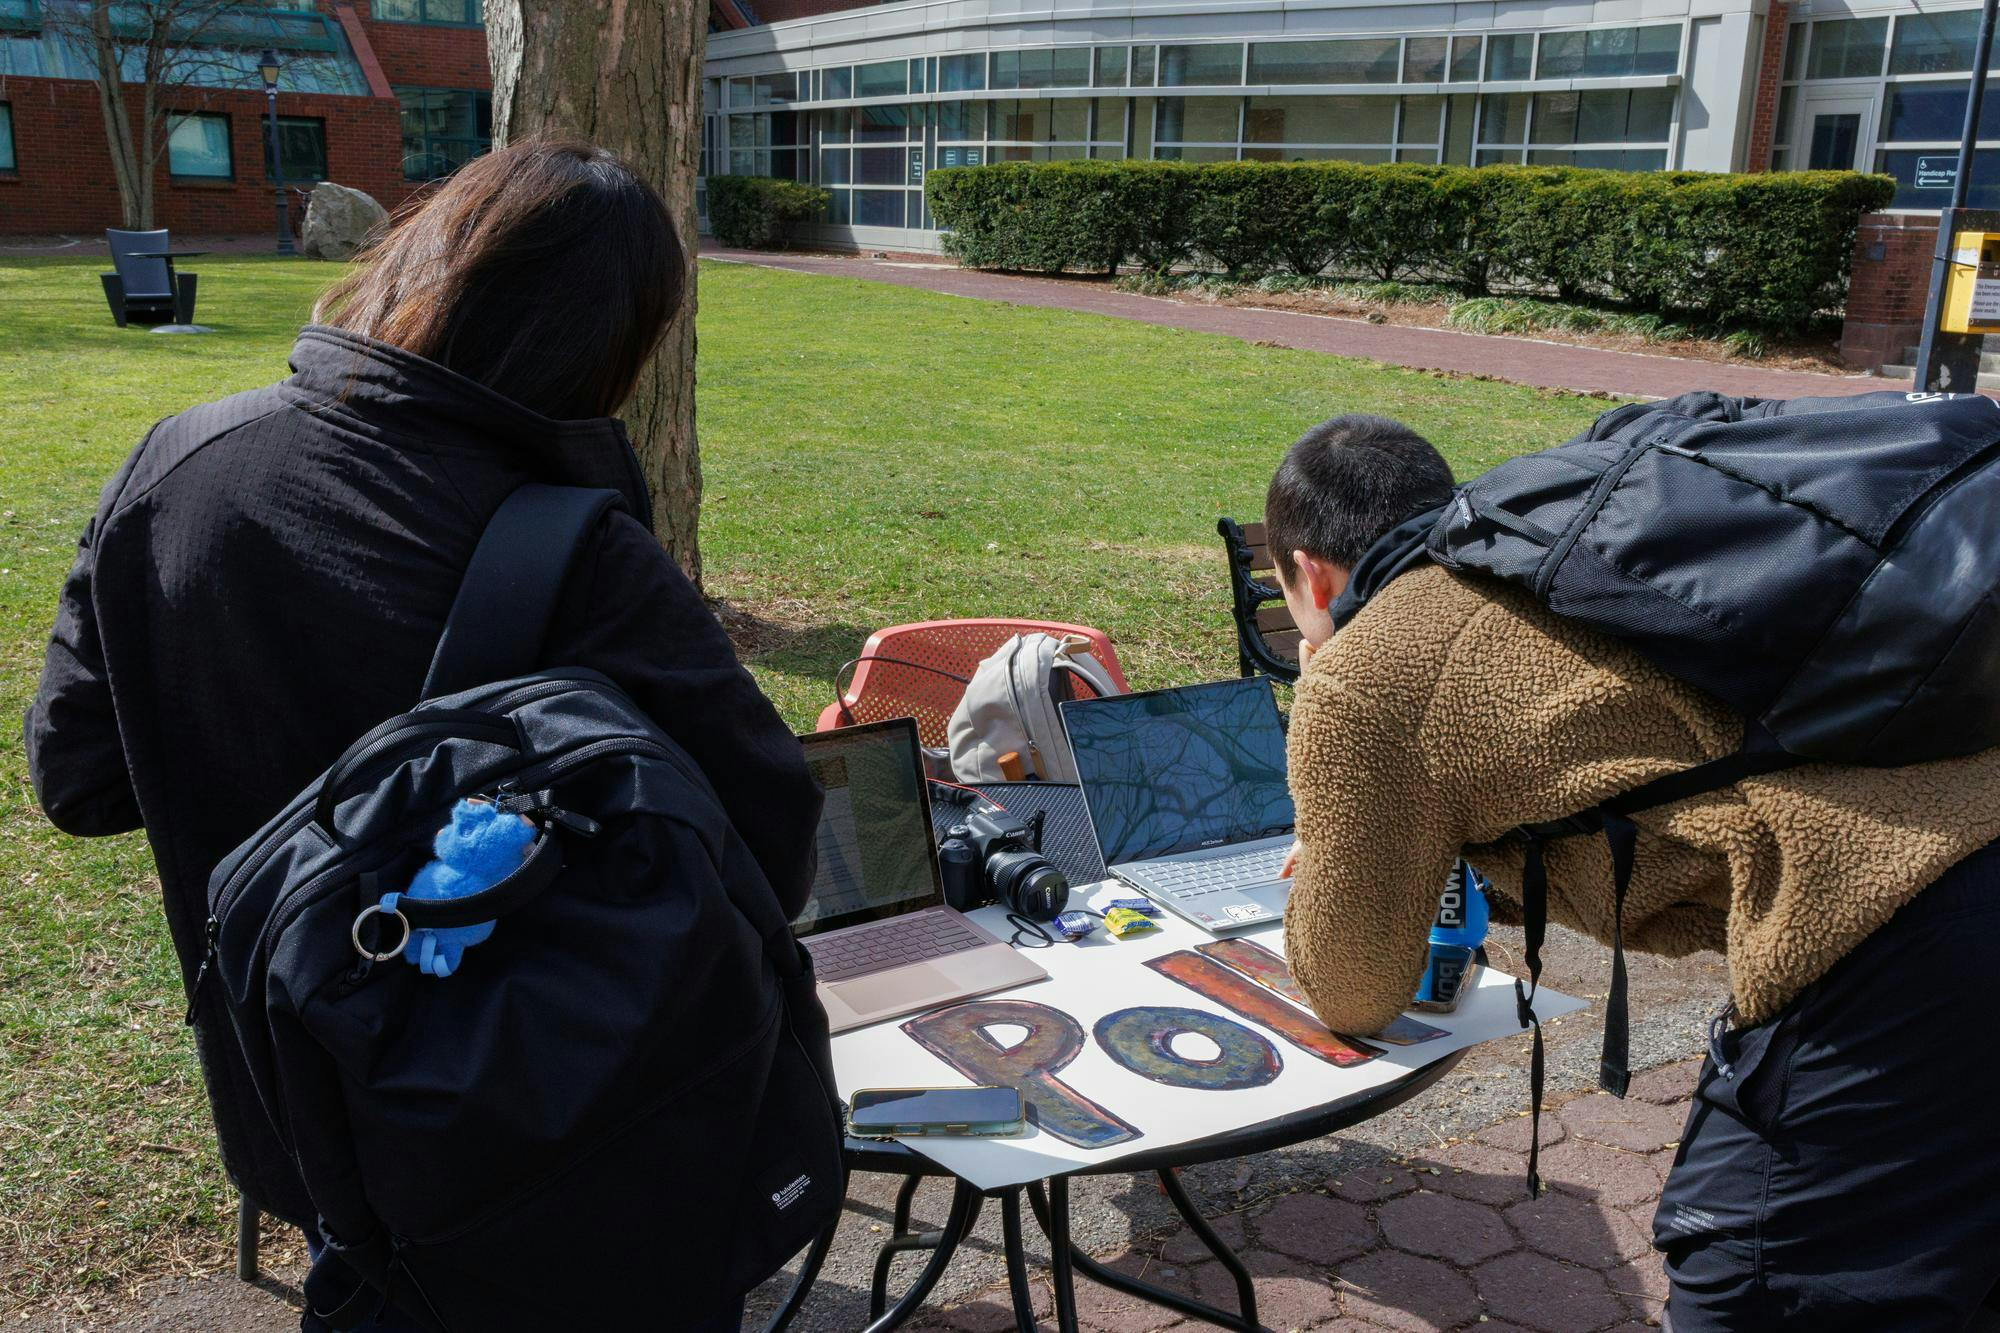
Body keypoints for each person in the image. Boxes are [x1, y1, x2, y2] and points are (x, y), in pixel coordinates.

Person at [24, 137, 821, 1332]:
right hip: (546, 1129)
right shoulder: (575, 551)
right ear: (617, 343)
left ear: (418, 254)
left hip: (292, 1103)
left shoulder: (172, 464)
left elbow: (76, 778)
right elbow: (773, 831)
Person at [1268, 413, 2000, 1331]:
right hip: (1971, 827)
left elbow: (1353, 985)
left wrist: (1333, 760)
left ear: (1307, 573)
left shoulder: (1364, 679)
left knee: (1757, 1285)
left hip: (1901, 923)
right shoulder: (1546, 549)